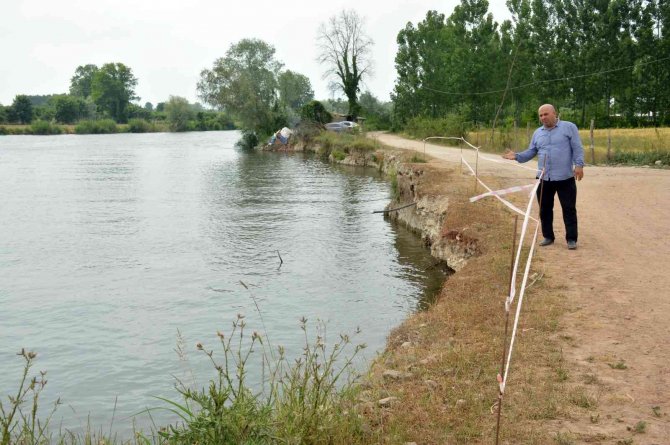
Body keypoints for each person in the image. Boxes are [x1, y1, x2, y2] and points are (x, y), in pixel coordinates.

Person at [502, 104, 584, 250]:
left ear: (554, 113)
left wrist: (579, 165)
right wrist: (517, 156)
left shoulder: (569, 127)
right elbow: (531, 151)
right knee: (544, 209)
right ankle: (548, 236)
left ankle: (571, 239)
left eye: (546, 114)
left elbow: (577, 147)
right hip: (544, 178)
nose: (543, 118)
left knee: (569, 208)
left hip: (565, 178)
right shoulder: (537, 133)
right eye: (540, 116)